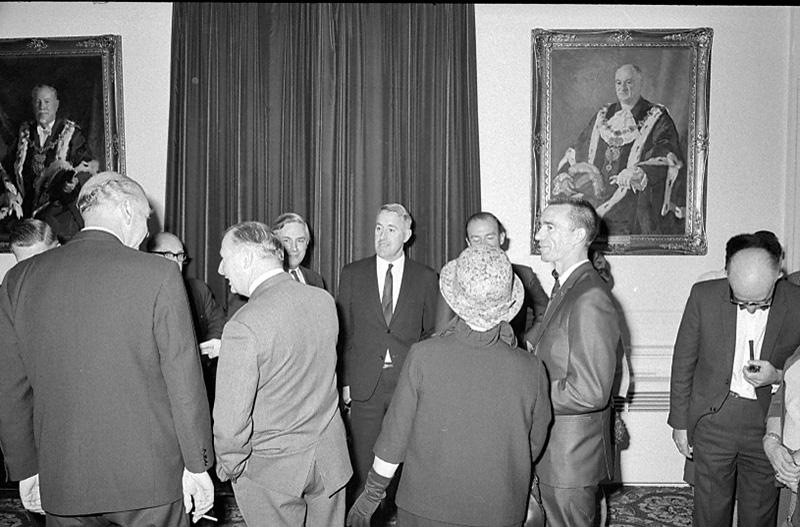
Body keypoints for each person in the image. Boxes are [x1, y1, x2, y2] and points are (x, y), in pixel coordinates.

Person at [0, 172, 214, 524]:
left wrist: (25, 468)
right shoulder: (159, 274)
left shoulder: (19, 280)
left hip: (64, 479)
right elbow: (184, 382)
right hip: (151, 482)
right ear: (128, 211)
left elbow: (10, 388)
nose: (147, 231)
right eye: (147, 218)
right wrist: (198, 464)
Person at [346, 244, 552, 527]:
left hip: (423, 510)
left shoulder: (423, 356)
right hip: (499, 510)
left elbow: (394, 438)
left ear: (455, 299)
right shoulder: (531, 369)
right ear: (507, 303)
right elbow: (534, 443)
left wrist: (370, 497)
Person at [213, 221, 352, 526]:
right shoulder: (324, 301)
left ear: (247, 259)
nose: (221, 269)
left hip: (272, 472)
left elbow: (230, 423)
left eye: (225, 258)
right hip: (329, 461)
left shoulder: (243, 324)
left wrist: (231, 468)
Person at [669, 232, 800, 527]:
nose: (751, 309)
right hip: (714, 423)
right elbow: (683, 363)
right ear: (728, 275)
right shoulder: (703, 296)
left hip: (767, 428)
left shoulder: (797, 302)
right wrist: (680, 424)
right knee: (710, 513)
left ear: (778, 275)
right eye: (742, 301)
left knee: (759, 513)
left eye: (760, 302)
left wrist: (776, 375)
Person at [523, 196, 621, 527]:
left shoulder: (590, 296)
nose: (538, 235)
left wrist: (528, 396)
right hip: (556, 453)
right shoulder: (566, 287)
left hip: (570, 460)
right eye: (540, 226)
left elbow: (590, 391)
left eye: (549, 227)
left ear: (579, 236)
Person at [337, 203, 440, 500]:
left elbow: (430, 333)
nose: (382, 236)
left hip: (407, 386)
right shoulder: (353, 273)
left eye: (391, 229)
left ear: (407, 234)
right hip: (363, 385)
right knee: (364, 466)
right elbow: (345, 332)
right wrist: (345, 382)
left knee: (406, 465)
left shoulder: (425, 278)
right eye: (378, 228)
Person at [552, 64, 685, 235]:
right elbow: (578, 147)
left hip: (633, 199)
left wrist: (639, 172)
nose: (622, 88)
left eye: (628, 83)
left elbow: (668, 154)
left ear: (639, 84)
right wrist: (564, 175)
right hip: (595, 193)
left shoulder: (657, 117)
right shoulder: (603, 115)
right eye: (618, 83)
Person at [435, 211, 549, 346]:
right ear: (468, 242)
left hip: (510, 355)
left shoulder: (524, 275)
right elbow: (442, 330)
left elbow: (546, 311)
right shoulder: (454, 276)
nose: (483, 245)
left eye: (489, 237)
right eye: (476, 239)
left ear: (501, 238)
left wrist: (527, 342)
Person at [2, 85, 97, 241]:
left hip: (60, 212)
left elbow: (88, 165)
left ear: (56, 105)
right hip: (27, 211)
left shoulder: (71, 133)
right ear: (33, 105)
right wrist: (10, 192)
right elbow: (8, 168)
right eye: (38, 102)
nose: (42, 107)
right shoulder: (24, 132)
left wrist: (74, 183)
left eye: (47, 102)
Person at [148, 231, 226, 406]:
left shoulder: (198, 289)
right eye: (169, 255)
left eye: (180, 255)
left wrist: (203, 352)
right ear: (149, 257)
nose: (177, 262)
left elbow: (218, 322)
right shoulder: (144, 293)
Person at [227, 212, 326, 317]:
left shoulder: (315, 280)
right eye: (286, 240)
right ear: (275, 244)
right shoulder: (253, 281)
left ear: (307, 243)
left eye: (300, 241)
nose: (294, 248)